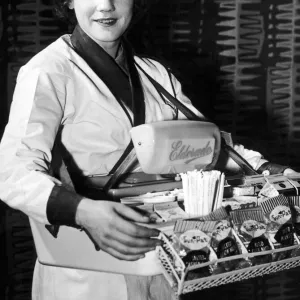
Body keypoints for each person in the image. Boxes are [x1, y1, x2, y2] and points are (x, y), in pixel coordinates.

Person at [0, 0, 299, 299]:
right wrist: (83, 212)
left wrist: (267, 169)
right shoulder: (48, 70)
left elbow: (204, 145)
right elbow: (13, 172)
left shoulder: (154, 73)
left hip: (159, 258)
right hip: (87, 267)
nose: (105, 5)